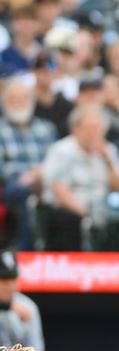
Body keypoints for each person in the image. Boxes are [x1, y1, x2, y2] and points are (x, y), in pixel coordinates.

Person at [40, 104, 119, 251]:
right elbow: (59, 190)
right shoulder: (62, 150)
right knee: (70, 219)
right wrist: (85, 213)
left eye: (98, 128)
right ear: (76, 128)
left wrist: (108, 161)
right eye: (90, 128)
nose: (94, 133)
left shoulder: (109, 150)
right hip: (70, 209)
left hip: (103, 209)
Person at [0, 77, 58, 250]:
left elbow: (57, 161)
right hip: (12, 186)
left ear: (32, 101)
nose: (18, 102)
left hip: (48, 183)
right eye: (13, 99)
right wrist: (29, 175)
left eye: (23, 98)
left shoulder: (47, 128)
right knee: (25, 195)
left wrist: (38, 175)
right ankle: (24, 254)